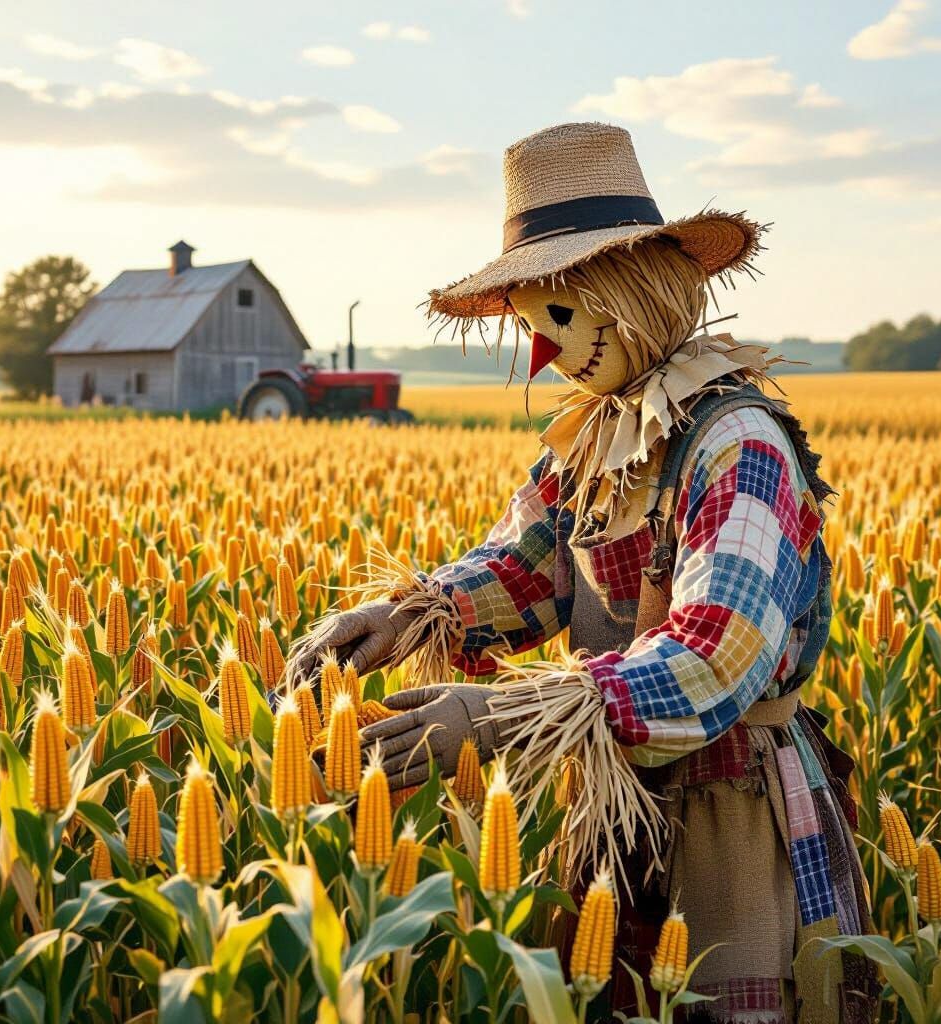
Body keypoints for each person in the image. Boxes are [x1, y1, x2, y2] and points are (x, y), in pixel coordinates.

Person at [289, 122, 877, 1023]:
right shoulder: (593, 445)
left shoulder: (738, 442)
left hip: (732, 812)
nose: (548, 350)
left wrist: (504, 714)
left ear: (630, 285)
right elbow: (526, 568)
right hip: (613, 802)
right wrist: (408, 616)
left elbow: (717, 655)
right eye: (532, 327)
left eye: (559, 318)